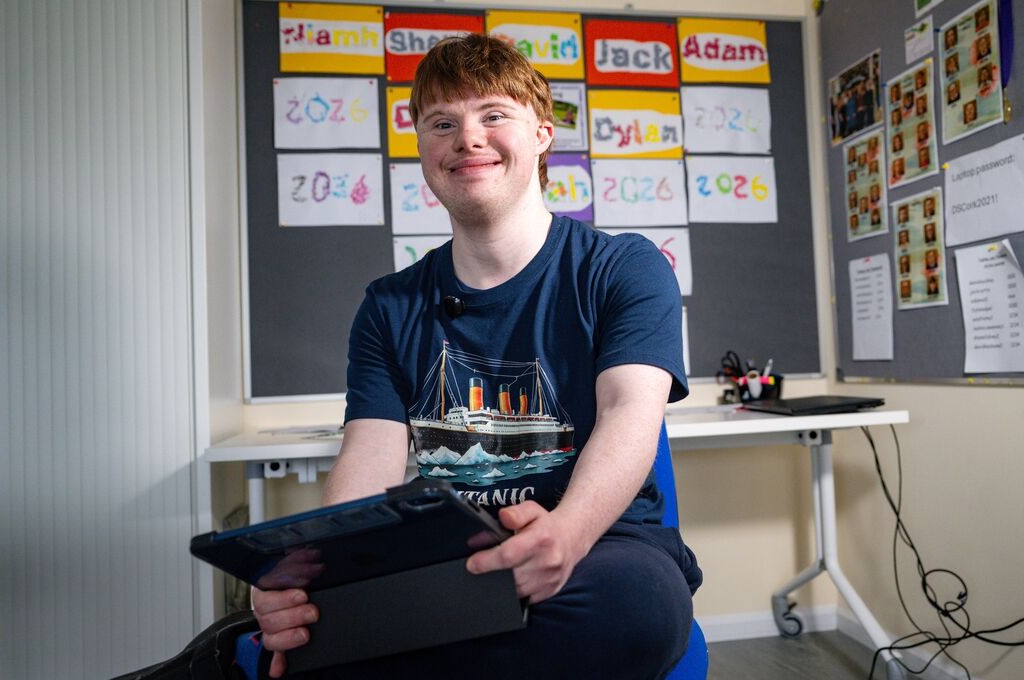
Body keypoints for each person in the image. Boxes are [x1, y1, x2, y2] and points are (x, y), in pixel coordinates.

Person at [251, 34, 701, 680]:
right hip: (449, 558)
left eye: (494, 114)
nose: (468, 137)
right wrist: (313, 578)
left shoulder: (624, 270)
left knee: (642, 612)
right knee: (298, 632)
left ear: (543, 133)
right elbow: (366, 465)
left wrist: (565, 536)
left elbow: (631, 412)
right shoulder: (388, 308)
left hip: (603, 550)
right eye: (443, 122)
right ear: (423, 148)